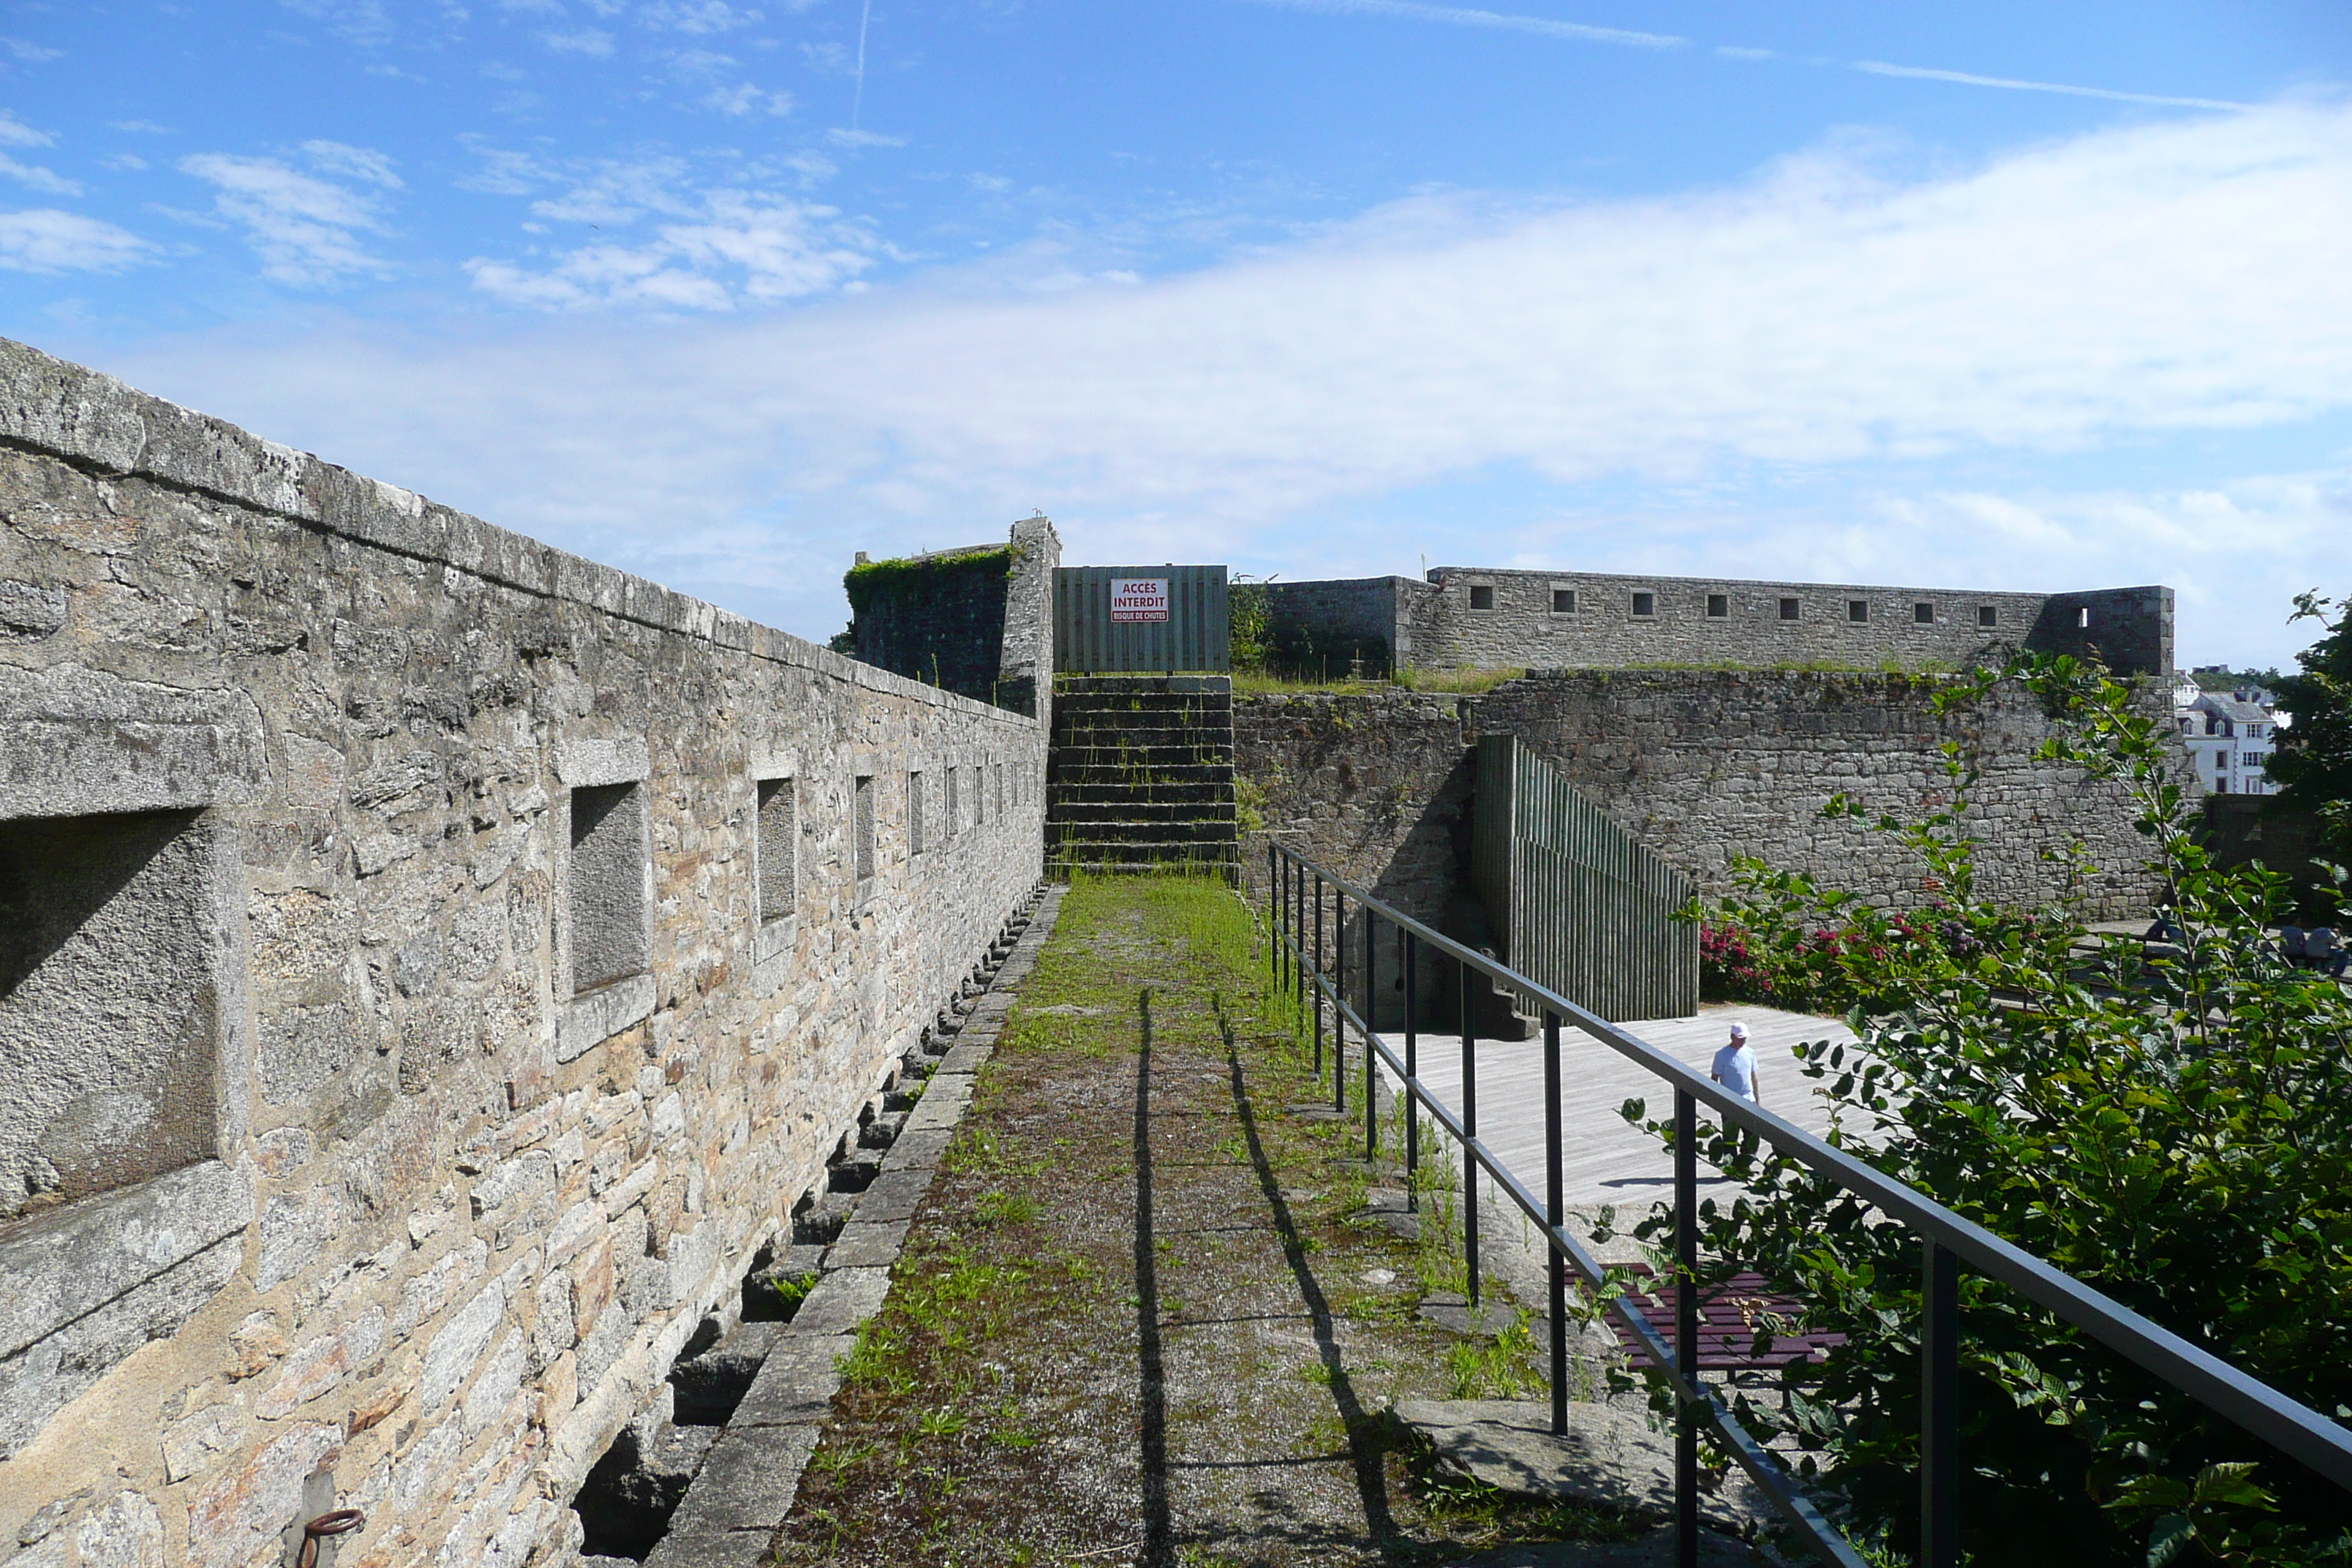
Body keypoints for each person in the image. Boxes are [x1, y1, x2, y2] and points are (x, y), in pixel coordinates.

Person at [1711, 1021, 1761, 1107]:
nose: (1743, 1040)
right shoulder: (1721, 1055)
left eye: (1744, 1038)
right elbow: (1714, 1078)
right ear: (1732, 1037)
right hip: (1730, 1101)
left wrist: (1757, 1101)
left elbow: (1753, 1076)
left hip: (1749, 1099)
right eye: (1740, 1038)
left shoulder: (1750, 1052)